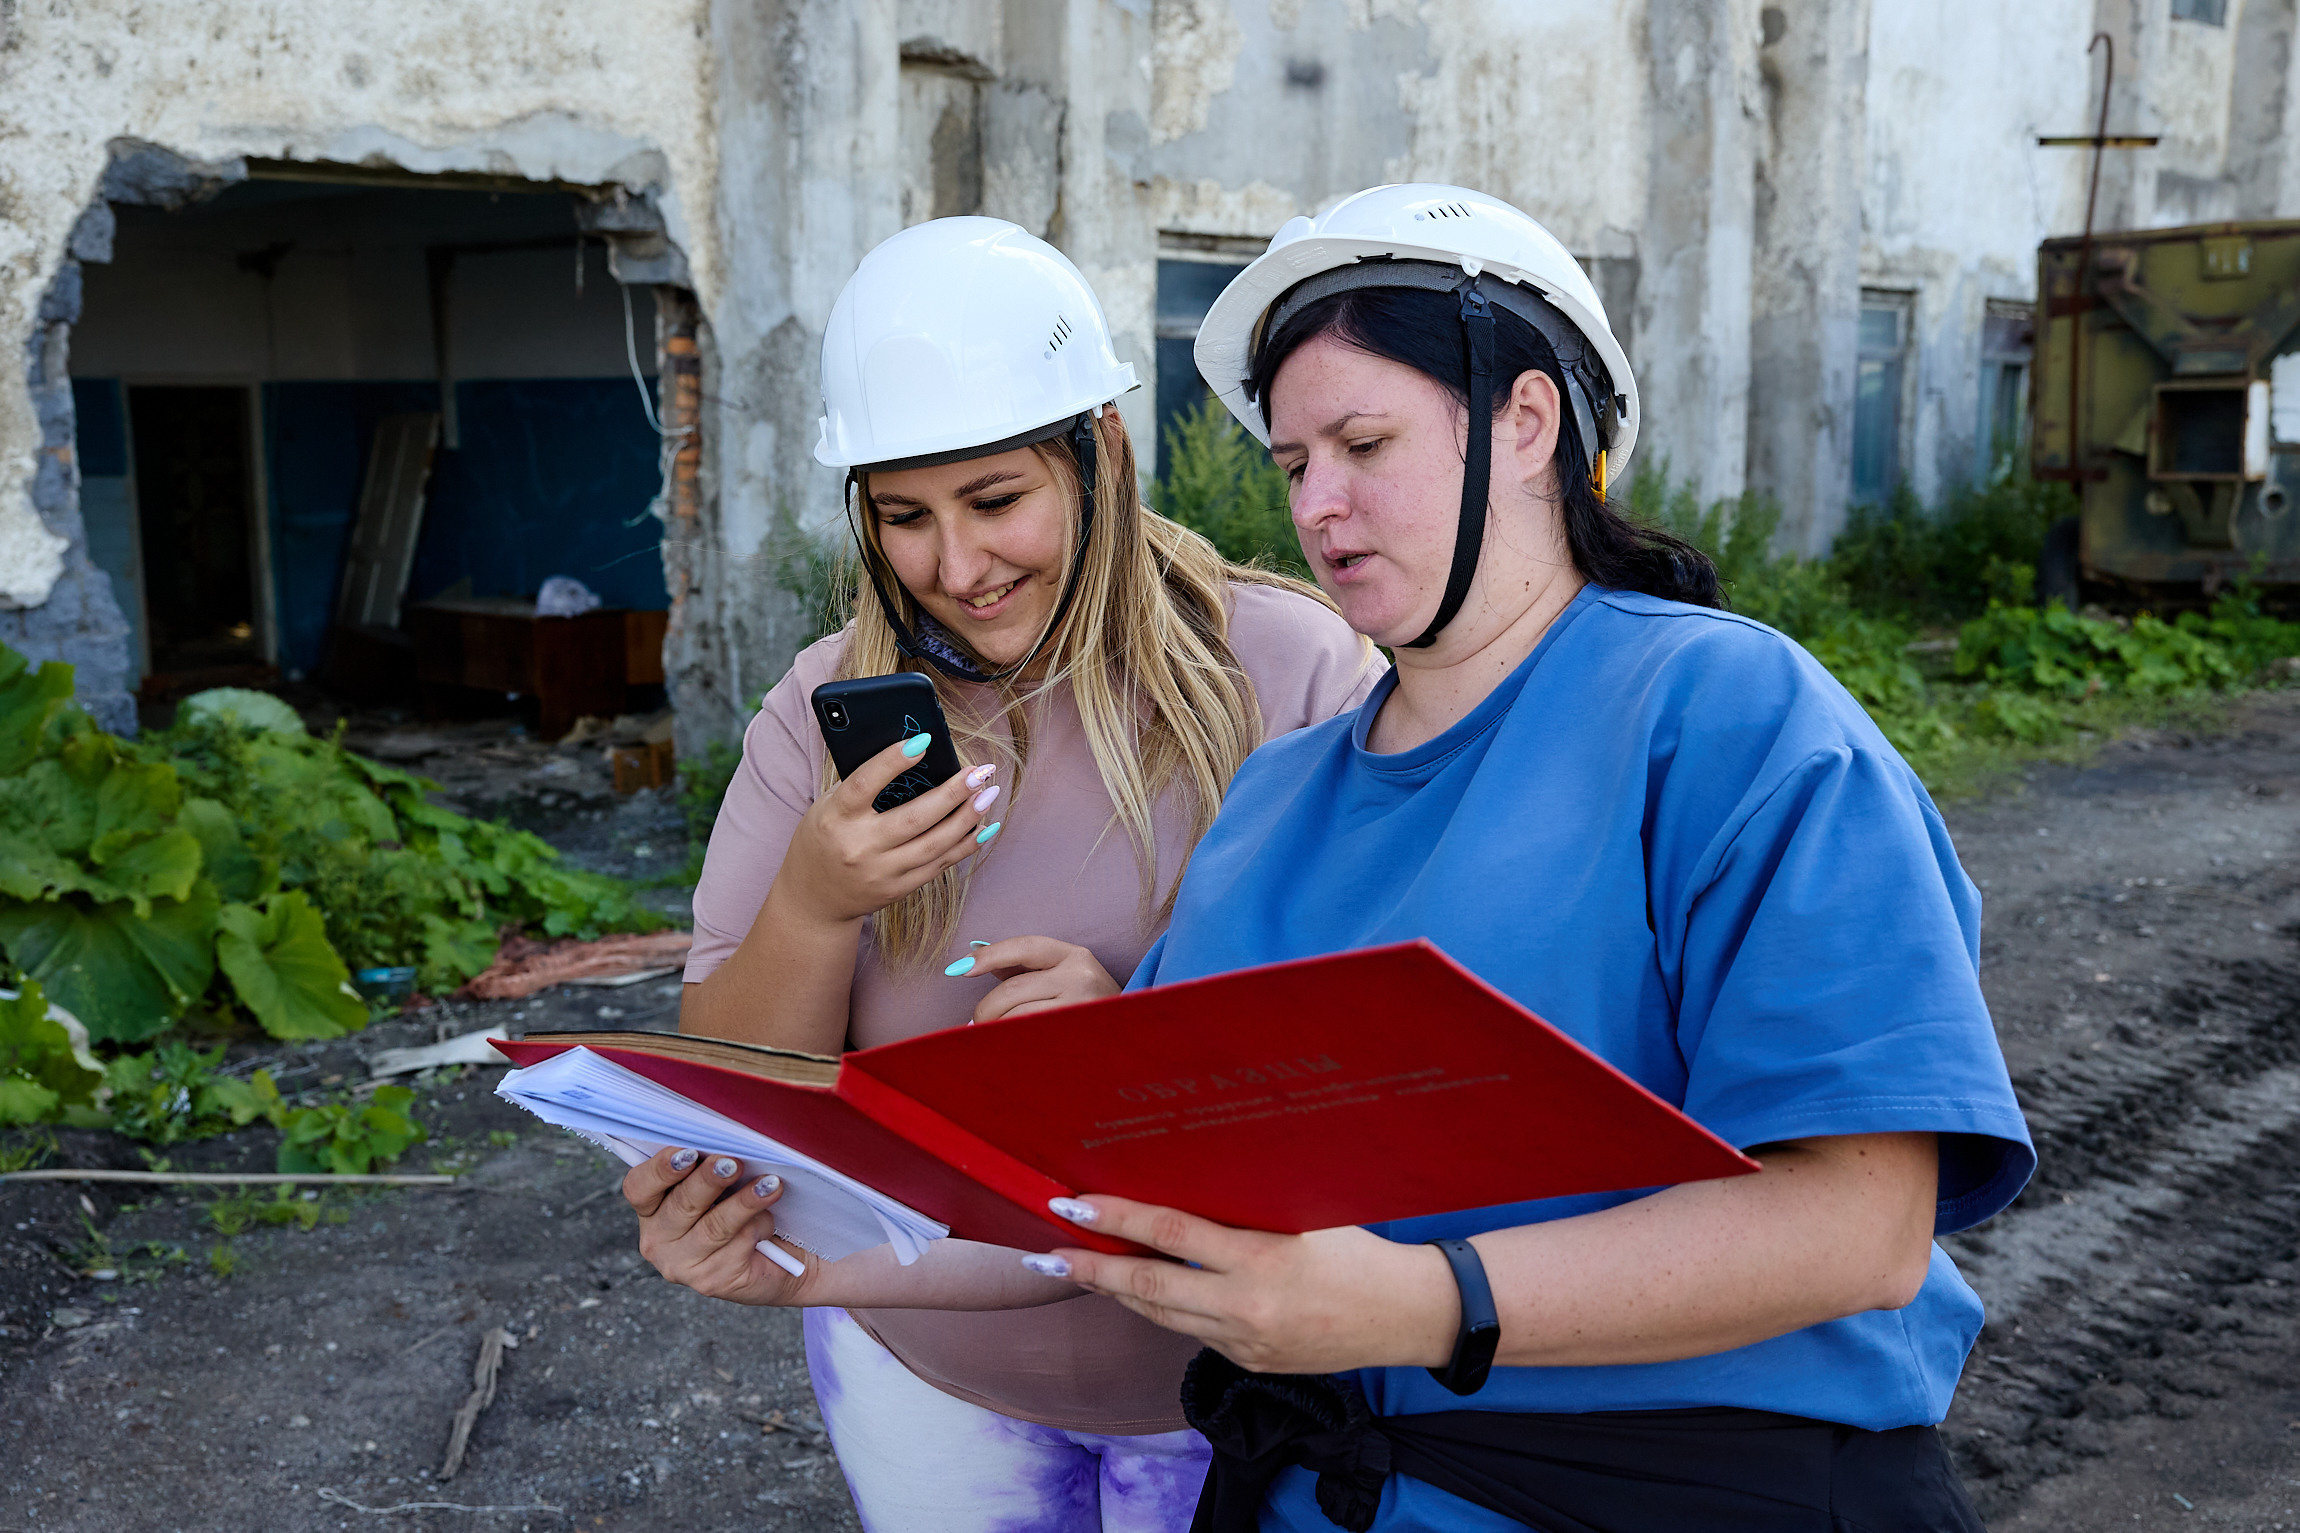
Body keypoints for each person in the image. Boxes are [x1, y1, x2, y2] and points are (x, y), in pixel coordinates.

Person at [1013, 185, 2036, 1532]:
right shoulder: (1274, 798)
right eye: (1292, 463)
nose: (1319, 506)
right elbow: (1156, 1185)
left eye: (1363, 443)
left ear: (1528, 420)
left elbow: (1860, 1223)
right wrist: (821, 1235)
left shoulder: (1731, 721)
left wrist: (1425, 1302)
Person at [618, 216, 1383, 1533]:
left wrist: (1133, 1042)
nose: (956, 569)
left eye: (994, 501)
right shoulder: (822, 708)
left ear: (1101, 452)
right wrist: (815, 901)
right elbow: (740, 1100)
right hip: (930, 1384)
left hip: (1237, 1394)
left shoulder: (1295, 671)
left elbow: (1392, 1057)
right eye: (903, 517)